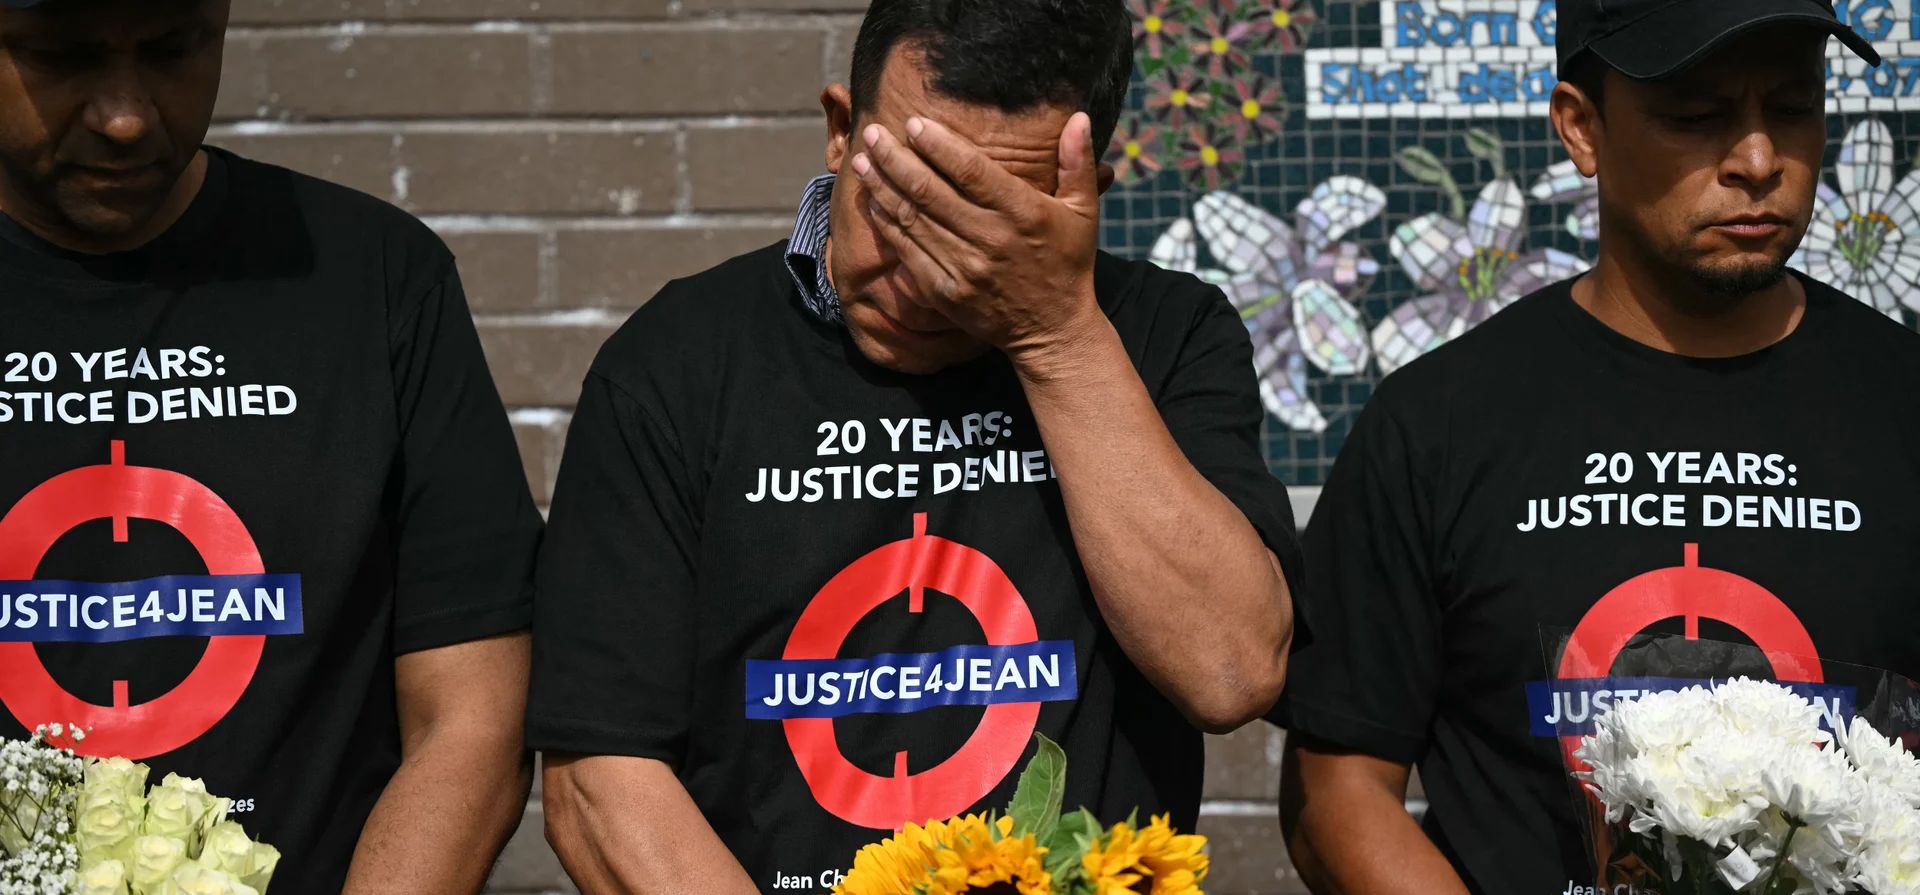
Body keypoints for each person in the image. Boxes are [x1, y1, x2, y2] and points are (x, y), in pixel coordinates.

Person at [526, 0, 1301, 889]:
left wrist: (1056, 334)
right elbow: (598, 781)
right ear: (840, 130)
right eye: (900, 206)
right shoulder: (676, 361)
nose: (927, 281)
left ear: (1080, 200)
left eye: (980, 227)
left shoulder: (1165, 335)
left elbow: (1231, 672)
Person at [1275, 0, 1920, 892]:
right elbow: (1338, 790)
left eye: (1795, 108)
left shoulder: (1902, 403)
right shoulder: (1438, 422)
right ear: (1582, 129)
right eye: (1695, 117)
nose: (1759, 160)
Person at [0, 0, 543, 891]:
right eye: (63, 59)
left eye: (176, 47)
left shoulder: (373, 276)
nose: (126, 115)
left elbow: (473, 716)